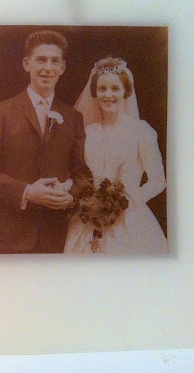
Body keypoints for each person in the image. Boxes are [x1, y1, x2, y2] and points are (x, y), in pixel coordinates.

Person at [0, 30, 88, 253]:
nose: (48, 68)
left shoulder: (73, 118)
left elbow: (81, 173)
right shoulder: (0, 113)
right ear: (27, 64)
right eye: (41, 60)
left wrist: (70, 196)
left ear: (62, 67)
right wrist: (27, 191)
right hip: (9, 237)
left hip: (56, 236)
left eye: (55, 61)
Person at [65, 56, 168, 253]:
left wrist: (125, 203)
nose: (108, 95)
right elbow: (79, 173)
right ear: (95, 92)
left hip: (130, 217)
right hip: (90, 218)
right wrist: (89, 201)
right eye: (102, 89)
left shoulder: (141, 131)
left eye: (115, 88)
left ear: (125, 91)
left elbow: (158, 180)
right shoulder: (89, 132)